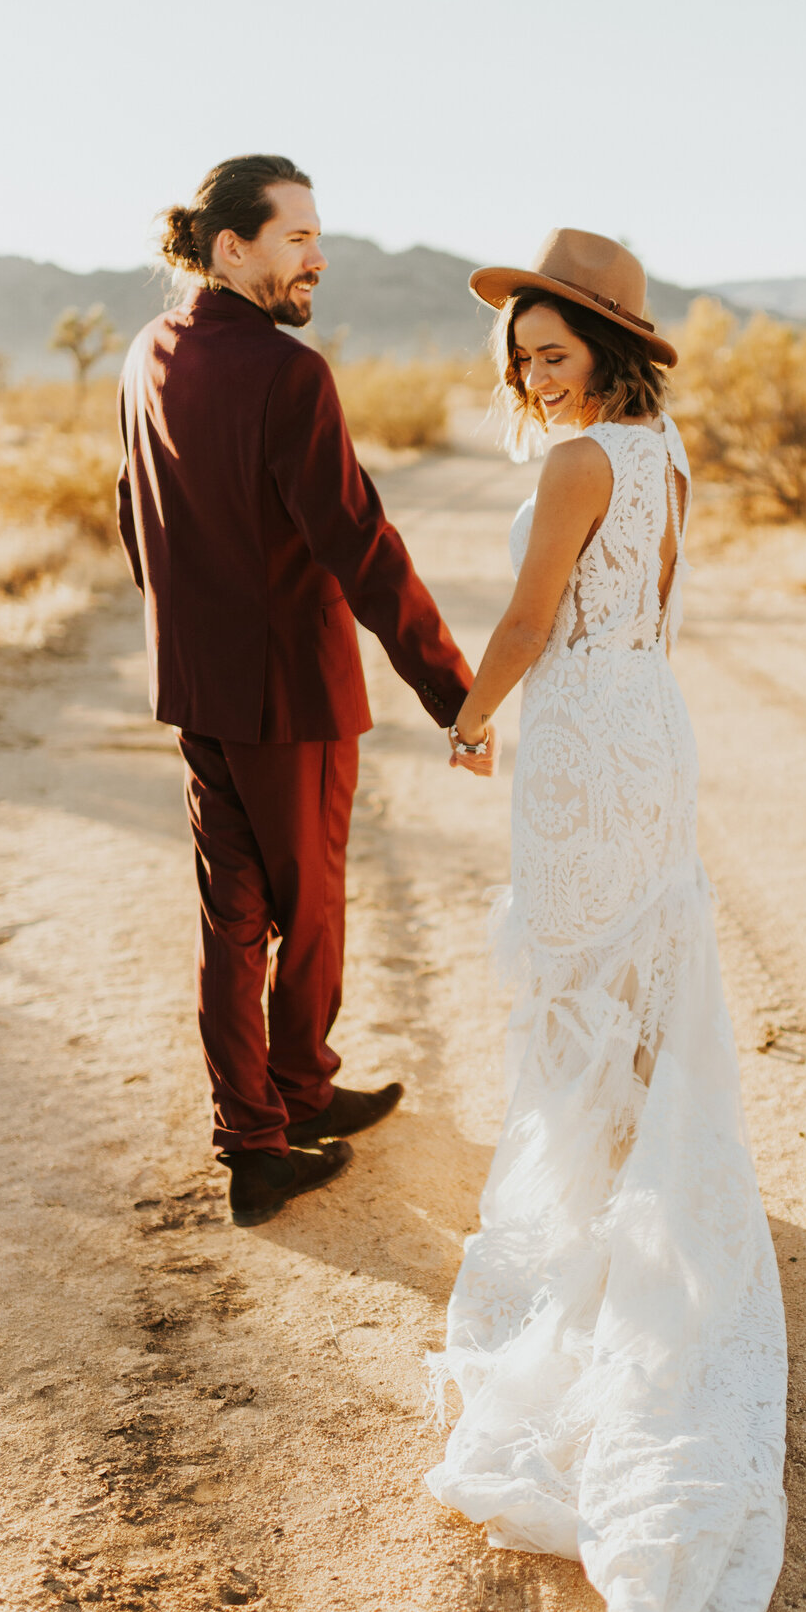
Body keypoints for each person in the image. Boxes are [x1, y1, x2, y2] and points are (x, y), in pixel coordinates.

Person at [429, 230, 788, 1612]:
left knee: (579, 969)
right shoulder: (667, 447)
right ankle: (636, 1171)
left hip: (584, 734)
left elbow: (529, 618)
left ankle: (596, 1212)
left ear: (607, 344)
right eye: (520, 358)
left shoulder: (576, 464)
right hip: (653, 723)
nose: (533, 375)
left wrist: (465, 714)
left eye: (553, 351)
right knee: (630, 969)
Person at [116, 155, 476, 1228]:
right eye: (296, 237)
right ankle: (297, 1096)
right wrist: (452, 690)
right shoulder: (287, 374)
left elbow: (134, 511)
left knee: (232, 917)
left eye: (319, 235)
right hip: (292, 700)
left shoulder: (146, 352)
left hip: (198, 689)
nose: (319, 255)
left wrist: (184, 630)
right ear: (232, 249)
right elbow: (358, 543)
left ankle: (261, 1130)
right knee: (308, 909)